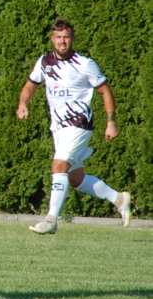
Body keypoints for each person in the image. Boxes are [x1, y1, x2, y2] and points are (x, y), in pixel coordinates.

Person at [17, 18, 131, 234]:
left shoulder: (85, 63)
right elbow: (30, 85)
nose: (62, 41)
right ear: (52, 39)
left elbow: (105, 91)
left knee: (59, 165)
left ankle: (51, 220)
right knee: (75, 178)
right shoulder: (44, 62)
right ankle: (118, 198)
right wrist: (23, 103)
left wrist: (111, 121)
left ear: (72, 39)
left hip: (79, 123)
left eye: (66, 37)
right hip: (58, 127)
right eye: (58, 37)